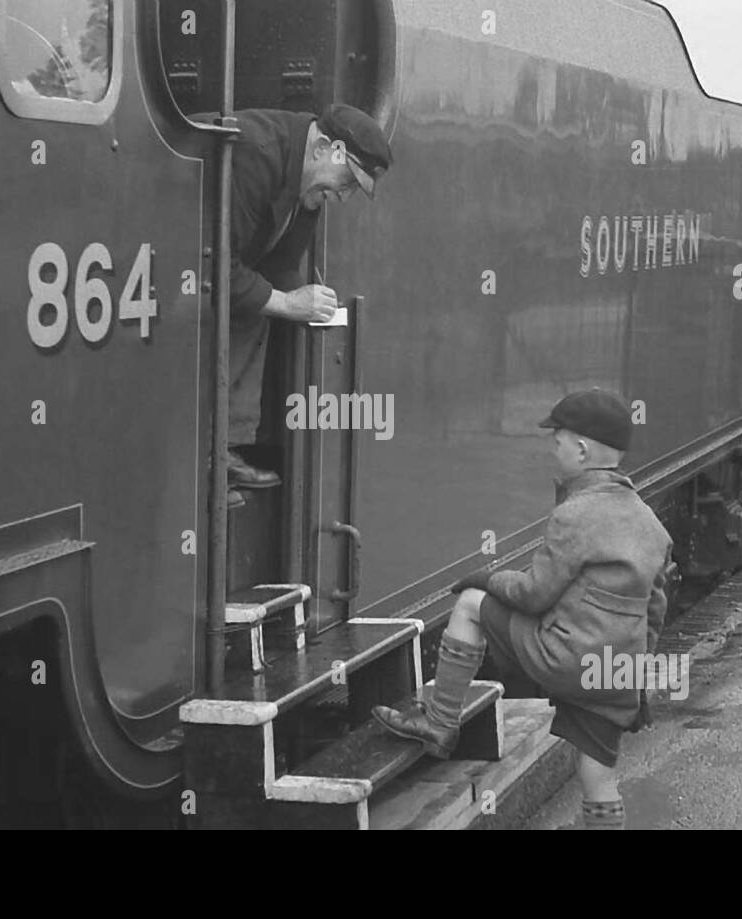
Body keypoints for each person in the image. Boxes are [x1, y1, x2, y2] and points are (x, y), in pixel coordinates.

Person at [372, 389, 674, 829]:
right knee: (598, 775)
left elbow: (534, 595)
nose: (553, 450)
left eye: (558, 442)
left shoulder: (575, 513)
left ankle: (440, 722)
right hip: (613, 670)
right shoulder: (651, 523)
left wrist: (486, 579)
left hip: (565, 659)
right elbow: (656, 609)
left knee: (471, 605)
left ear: (582, 450)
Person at [203, 104, 392, 506]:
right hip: (172, 272)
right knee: (257, 305)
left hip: (214, 273)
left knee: (260, 305)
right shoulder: (256, 154)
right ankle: (202, 454)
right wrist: (287, 302)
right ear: (325, 147)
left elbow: (279, 266)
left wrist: (311, 304)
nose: (342, 197)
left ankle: (222, 448)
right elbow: (211, 262)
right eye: (347, 182)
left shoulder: (307, 185)